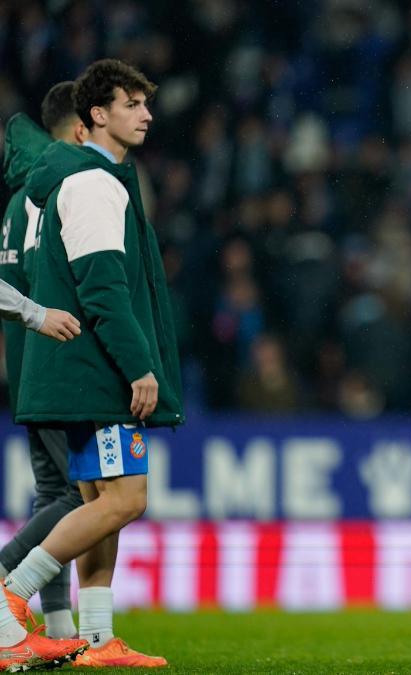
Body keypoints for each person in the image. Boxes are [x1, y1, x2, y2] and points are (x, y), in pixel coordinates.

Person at [1, 58, 183, 669]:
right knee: (126, 499)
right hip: (99, 374)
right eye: (132, 104)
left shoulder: (82, 181)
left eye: (146, 103)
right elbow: (103, 289)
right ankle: (10, 595)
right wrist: (140, 367)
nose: (146, 114)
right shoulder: (93, 183)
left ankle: (98, 640)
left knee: (99, 501)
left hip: (79, 371)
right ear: (96, 115)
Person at [1, 82, 89, 641]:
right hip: (58, 362)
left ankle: (57, 626)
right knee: (82, 496)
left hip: (25, 360)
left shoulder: (17, 198)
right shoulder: (62, 186)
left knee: (53, 492)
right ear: (82, 126)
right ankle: (6, 572)